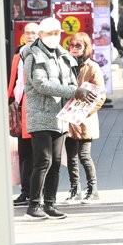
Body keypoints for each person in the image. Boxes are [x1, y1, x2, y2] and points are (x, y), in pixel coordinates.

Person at [24, 17, 99, 220]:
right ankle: (34, 205)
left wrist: (78, 93)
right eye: (50, 33)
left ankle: (50, 203)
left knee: (56, 162)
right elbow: (41, 84)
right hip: (40, 115)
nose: (54, 36)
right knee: (43, 161)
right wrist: (74, 91)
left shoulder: (63, 55)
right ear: (41, 35)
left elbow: (72, 81)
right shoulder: (33, 54)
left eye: (57, 33)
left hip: (61, 116)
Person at [65, 32, 106, 204]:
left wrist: (83, 113)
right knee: (71, 157)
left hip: (84, 120)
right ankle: (75, 190)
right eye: (72, 45)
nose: (74, 48)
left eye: (78, 46)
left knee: (84, 155)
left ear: (85, 48)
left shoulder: (92, 67)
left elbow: (100, 96)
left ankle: (93, 190)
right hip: (68, 118)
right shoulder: (65, 64)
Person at [8, 22, 39, 206]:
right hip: (20, 107)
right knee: (23, 152)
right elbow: (14, 80)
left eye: (34, 33)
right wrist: (10, 99)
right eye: (27, 33)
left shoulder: (42, 53)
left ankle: (36, 192)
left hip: (35, 107)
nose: (30, 36)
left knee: (37, 153)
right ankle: (25, 191)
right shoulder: (18, 54)